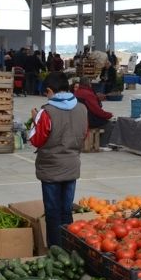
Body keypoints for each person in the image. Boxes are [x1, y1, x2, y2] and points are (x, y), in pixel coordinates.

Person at [29, 72, 88, 251]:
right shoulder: (82, 109)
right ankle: (69, 249)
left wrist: (34, 120)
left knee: (53, 212)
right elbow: (84, 134)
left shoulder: (46, 112)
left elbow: (36, 140)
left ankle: (56, 251)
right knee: (66, 210)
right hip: (71, 166)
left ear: (49, 91)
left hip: (50, 169)